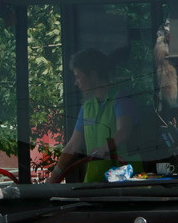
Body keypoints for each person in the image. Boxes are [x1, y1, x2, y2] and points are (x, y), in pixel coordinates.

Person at [48, 48, 135, 183]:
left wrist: (104, 149)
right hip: (94, 182)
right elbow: (72, 146)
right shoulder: (87, 107)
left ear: (92, 76)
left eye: (78, 77)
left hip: (123, 180)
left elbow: (124, 131)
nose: (76, 83)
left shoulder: (121, 98)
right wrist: (53, 178)